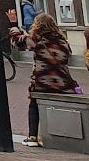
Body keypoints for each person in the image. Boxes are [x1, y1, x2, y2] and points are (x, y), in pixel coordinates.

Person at [24, 13, 79, 146]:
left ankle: (33, 137)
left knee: (34, 105)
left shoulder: (37, 41)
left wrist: (13, 25)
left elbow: (17, 41)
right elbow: (66, 58)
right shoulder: (63, 42)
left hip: (42, 82)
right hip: (62, 83)